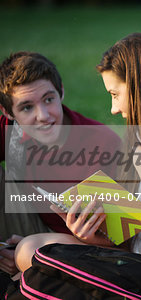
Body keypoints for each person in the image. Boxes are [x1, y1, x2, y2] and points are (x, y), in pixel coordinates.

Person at [15, 33, 141, 285]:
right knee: (31, 247)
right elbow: (133, 234)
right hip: (135, 260)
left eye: (115, 94)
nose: (113, 108)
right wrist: (91, 235)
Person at [0, 51, 121, 278]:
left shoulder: (102, 143)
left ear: (61, 91)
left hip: (82, 245)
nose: (43, 115)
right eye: (27, 107)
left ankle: (31, 267)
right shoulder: (10, 130)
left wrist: (85, 237)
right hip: (33, 223)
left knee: (31, 252)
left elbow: (119, 243)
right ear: (8, 112)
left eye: (49, 99)